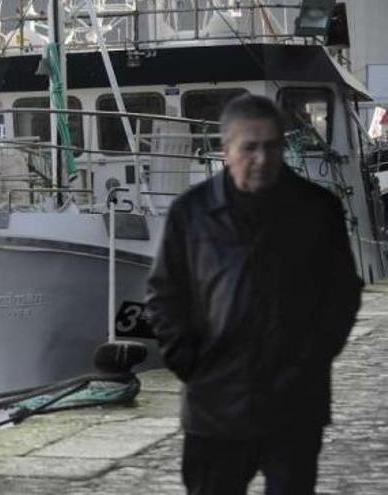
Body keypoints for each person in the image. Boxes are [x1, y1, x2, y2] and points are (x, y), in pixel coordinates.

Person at [146, 94, 363, 495]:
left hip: (295, 398)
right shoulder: (190, 213)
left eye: (272, 146)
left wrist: (315, 355)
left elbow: (342, 292)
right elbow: (166, 293)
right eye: (250, 148)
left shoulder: (317, 209)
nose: (262, 158)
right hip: (215, 400)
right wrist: (187, 360)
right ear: (226, 151)